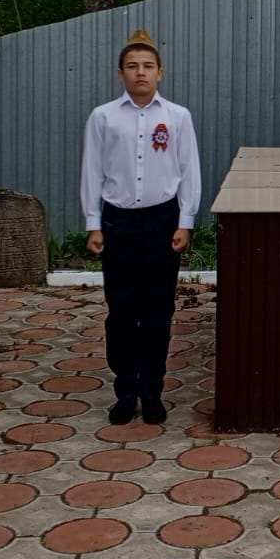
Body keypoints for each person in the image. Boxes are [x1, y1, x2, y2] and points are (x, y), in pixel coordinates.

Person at [80, 29, 201, 425]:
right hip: (118, 223)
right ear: (121, 74)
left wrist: (185, 220)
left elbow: (189, 171)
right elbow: (92, 172)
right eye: (132, 66)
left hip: (161, 222)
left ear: (160, 72)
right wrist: (94, 223)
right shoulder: (104, 117)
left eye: (148, 66)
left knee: (157, 310)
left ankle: (152, 391)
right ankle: (125, 390)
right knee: (121, 310)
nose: (140, 73)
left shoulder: (177, 117)